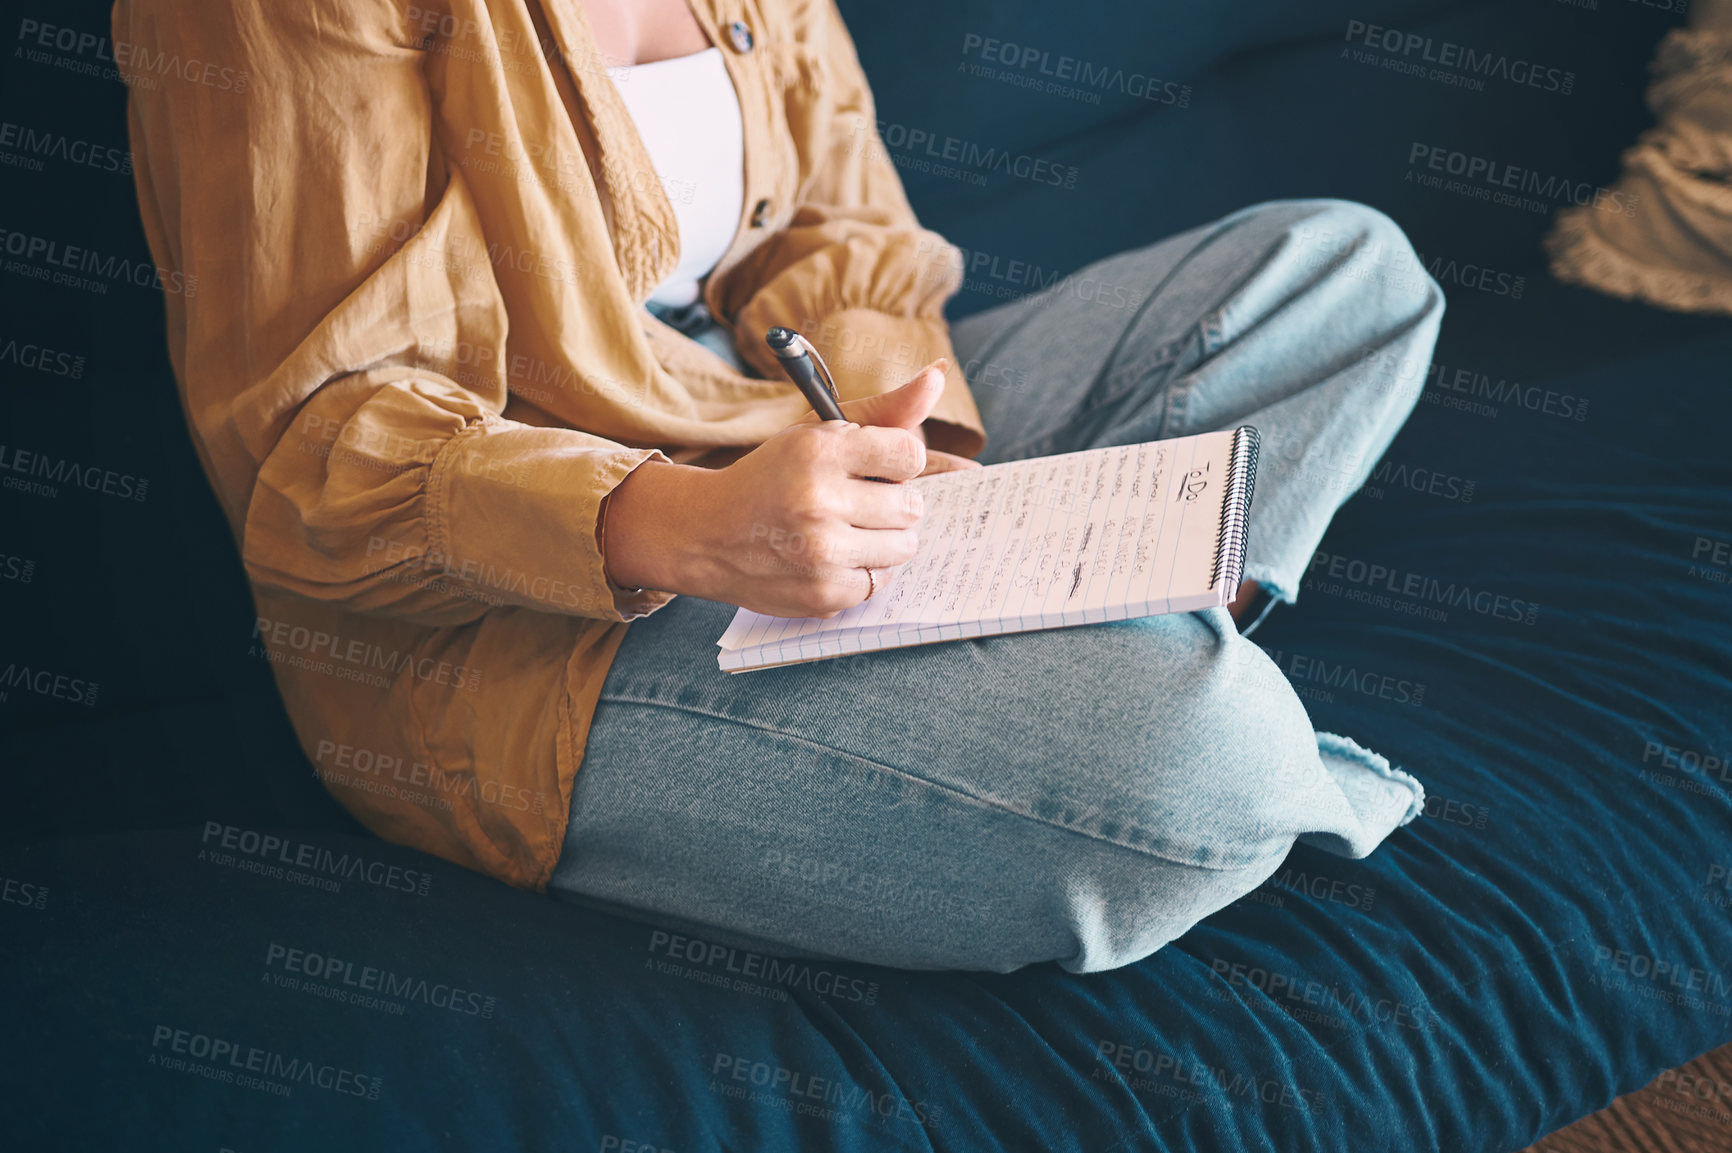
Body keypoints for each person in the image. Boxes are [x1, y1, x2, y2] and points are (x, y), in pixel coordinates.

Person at [116, 0, 1445, 973]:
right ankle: (1163, 703)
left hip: (760, 413)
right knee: (1206, 767)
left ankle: (1091, 648)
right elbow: (316, 450)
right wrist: (672, 520)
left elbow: (833, 230)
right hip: (506, 609)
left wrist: (900, 439)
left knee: (1347, 278)